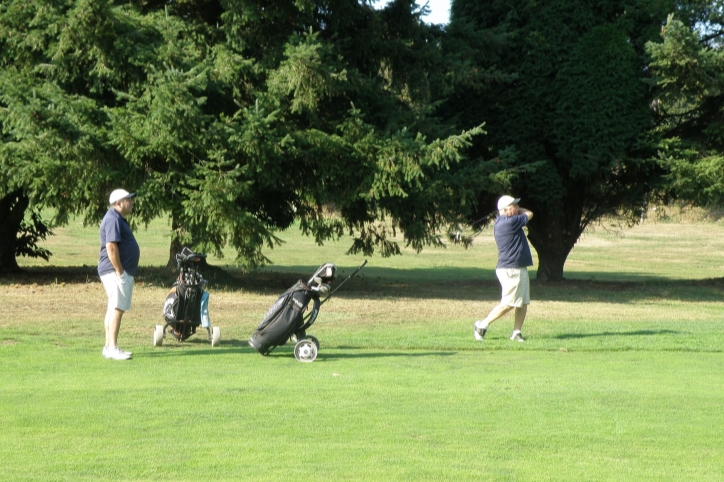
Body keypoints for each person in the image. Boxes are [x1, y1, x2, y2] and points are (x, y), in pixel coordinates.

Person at [474, 195, 534, 342]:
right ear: (506, 210)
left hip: (518, 267)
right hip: (511, 269)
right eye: (514, 206)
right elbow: (529, 213)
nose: (517, 208)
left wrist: (514, 209)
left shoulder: (508, 220)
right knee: (509, 303)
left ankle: (516, 332)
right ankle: (482, 325)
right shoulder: (509, 222)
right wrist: (518, 211)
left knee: (523, 302)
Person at [98, 189, 140, 360]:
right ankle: (113, 347)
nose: (131, 202)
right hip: (114, 271)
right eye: (128, 200)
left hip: (114, 270)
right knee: (117, 308)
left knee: (113, 308)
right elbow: (111, 247)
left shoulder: (115, 218)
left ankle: (108, 347)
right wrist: (120, 271)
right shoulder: (113, 218)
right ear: (119, 203)